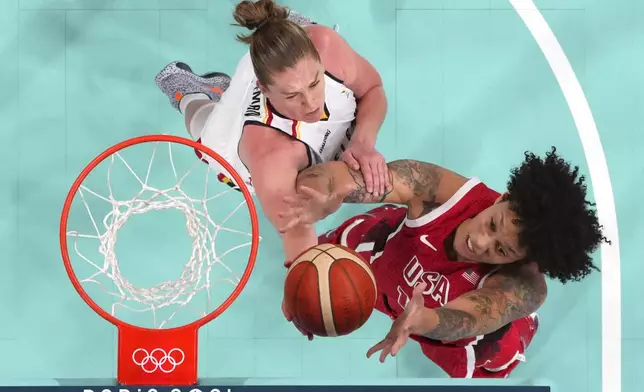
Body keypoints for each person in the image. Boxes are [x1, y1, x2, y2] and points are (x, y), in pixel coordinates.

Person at [278, 147, 609, 378]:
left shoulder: (525, 286)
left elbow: (474, 315)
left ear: (525, 260)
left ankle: (511, 335)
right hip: (395, 256)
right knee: (329, 261)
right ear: (504, 199)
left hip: (445, 313)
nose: (479, 243)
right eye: (493, 225)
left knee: (490, 355)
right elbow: (358, 179)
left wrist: (423, 320)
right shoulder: (445, 191)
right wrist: (323, 191)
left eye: (502, 251)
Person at [154, 0, 391, 262]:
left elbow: (372, 89)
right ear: (264, 90)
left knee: (301, 44)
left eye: (315, 83)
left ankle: (280, 26)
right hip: (235, 137)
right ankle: (188, 90)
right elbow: (298, 236)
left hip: (279, 69)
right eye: (294, 96)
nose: (311, 103)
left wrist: (363, 142)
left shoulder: (325, 45)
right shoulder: (271, 158)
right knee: (204, 123)